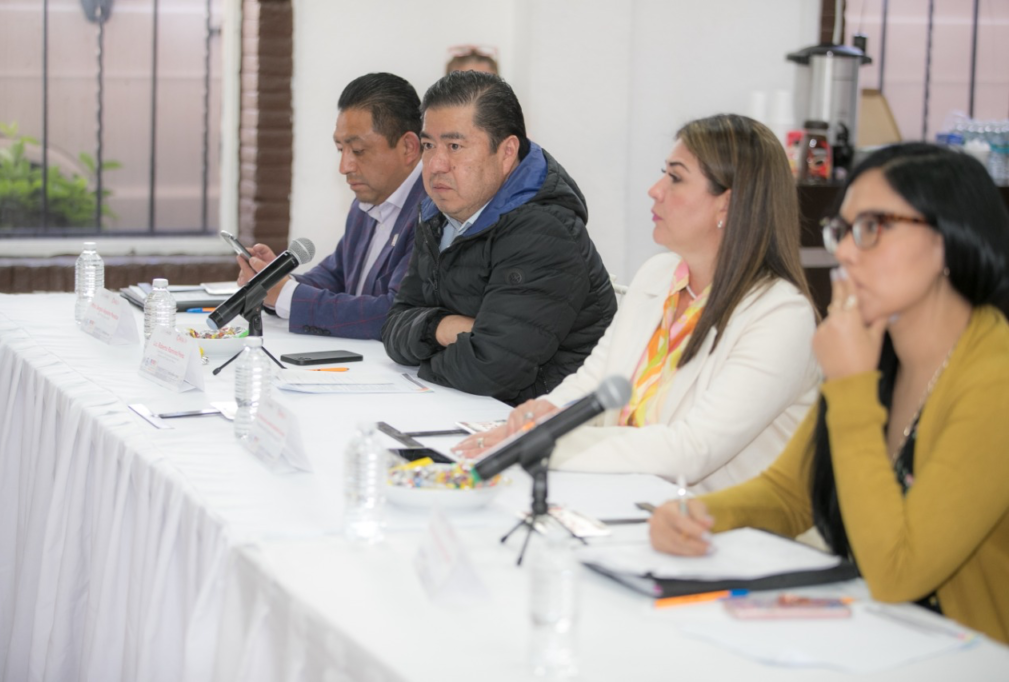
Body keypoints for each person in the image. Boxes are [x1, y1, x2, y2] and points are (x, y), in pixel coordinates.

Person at [649, 143, 1009, 644]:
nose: (844, 252)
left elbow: (898, 572)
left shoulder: (994, 377)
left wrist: (852, 386)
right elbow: (790, 493)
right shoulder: (878, 346)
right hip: (879, 634)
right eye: (843, 230)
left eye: (873, 228)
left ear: (948, 239)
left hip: (971, 654)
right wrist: (697, 514)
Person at [457, 114, 819, 494]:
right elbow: (592, 384)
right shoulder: (658, 275)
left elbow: (692, 450)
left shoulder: (781, 315)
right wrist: (537, 421)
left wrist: (544, 445)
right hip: (628, 495)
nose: (655, 190)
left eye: (675, 178)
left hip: (718, 521)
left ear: (726, 205)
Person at [382, 71, 616, 405]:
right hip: (463, 406)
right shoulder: (438, 214)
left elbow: (491, 369)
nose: (435, 165)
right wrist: (443, 327)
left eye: (455, 146)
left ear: (507, 152)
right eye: (429, 146)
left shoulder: (543, 230)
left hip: (541, 420)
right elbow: (393, 326)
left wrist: (424, 353)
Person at [235, 73, 426, 340]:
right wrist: (275, 283)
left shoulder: (432, 212)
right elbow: (335, 276)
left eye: (357, 151)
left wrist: (287, 296)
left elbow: (394, 313)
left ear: (408, 147)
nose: (344, 167)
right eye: (340, 149)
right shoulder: (365, 203)